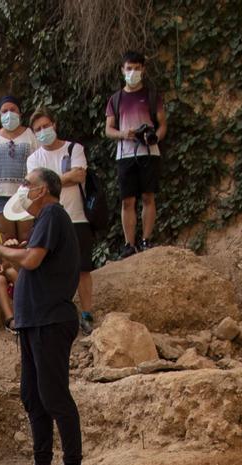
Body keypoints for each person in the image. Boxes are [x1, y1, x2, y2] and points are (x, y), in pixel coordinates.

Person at [0, 169, 85, 465]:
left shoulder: (52, 212)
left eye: (27, 184)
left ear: (43, 189)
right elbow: (35, 261)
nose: (23, 189)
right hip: (34, 321)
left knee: (53, 394)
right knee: (33, 396)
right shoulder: (44, 221)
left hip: (50, 320)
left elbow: (31, 261)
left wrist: (1, 249)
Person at [27, 109, 96, 333]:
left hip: (77, 216)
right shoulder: (34, 159)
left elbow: (79, 175)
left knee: (83, 268)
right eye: (37, 129)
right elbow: (35, 188)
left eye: (45, 126)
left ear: (54, 124)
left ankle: (87, 314)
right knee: (51, 267)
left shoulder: (74, 149)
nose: (42, 131)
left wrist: (50, 181)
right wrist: (61, 180)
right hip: (47, 218)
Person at [105, 50, 167, 253]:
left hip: (149, 153)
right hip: (125, 154)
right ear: (122, 70)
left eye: (137, 68)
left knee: (149, 196)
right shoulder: (116, 99)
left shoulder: (152, 96)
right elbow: (108, 130)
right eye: (129, 68)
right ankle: (129, 244)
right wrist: (125, 134)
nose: (133, 72)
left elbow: (162, 124)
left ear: (143, 70)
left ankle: (146, 240)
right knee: (127, 200)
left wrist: (154, 138)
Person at [0, 97, 39, 231]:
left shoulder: (30, 135)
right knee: (6, 238)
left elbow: (39, 165)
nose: (9, 114)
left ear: (20, 113)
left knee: (26, 237)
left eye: (13, 110)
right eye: (4, 111)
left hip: (25, 195)